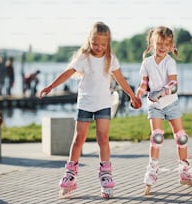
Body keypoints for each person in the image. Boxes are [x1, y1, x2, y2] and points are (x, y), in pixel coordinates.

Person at [39, 21, 141, 199]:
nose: (99, 47)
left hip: (103, 103)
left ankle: (105, 175)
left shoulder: (111, 58)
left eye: (103, 44)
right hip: (85, 103)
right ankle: (70, 174)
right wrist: (50, 86)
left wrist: (133, 96)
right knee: (79, 138)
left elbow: (121, 80)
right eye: (95, 43)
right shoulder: (84, 57)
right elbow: (68, 72)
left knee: (103, 138)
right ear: (89, 40)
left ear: (108, 43)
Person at [135, 26, 192, 195]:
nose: (162, 47)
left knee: (181, 137)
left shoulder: (170, 62)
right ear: (152, 43)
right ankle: (152, 169)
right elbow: (144, 85)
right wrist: (137, 96)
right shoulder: (147, 63)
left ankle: (185, 169)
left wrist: (160, 93)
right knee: (157, 136)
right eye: (159, 43)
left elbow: (174, 86)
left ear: (171, 45)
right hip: (155, 107)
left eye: (166, 44)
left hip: (171, 103)